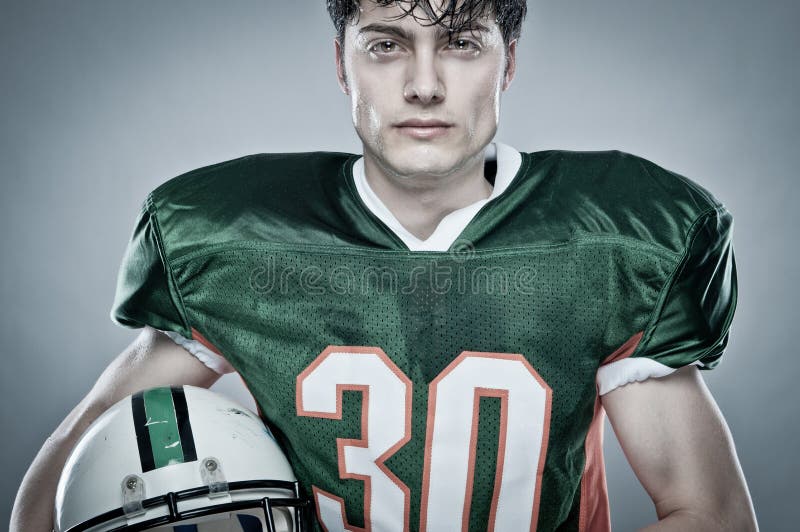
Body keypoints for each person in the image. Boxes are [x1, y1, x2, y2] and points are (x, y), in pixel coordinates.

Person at [11, 1, 758, 530]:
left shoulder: (612, 240)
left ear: (510, 61)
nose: (424, 83)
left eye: (462, 43)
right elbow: (51, 497)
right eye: (386, 44)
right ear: (342, 62)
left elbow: (711, 512)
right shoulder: (236, 238)